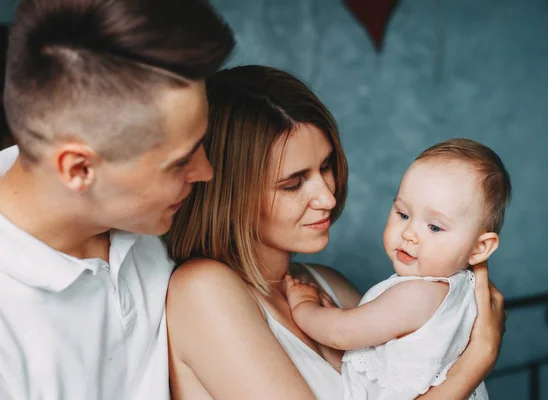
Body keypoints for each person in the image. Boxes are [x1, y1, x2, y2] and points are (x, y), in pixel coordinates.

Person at [165, 66, 507, 400]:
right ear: (229, 194)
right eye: (293, 183)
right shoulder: (202, 290)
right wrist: (477, 361)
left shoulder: (330, 285)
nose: (328, 197)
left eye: (326, 167)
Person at [0, 0, 234, 398]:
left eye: (201, 144)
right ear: (79, 170)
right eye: (179, 163)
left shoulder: (148, 219)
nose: (206, 172)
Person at [285, 138, 511, 400]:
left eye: (435, 227)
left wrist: (305, 307)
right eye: (403, 214)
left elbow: (340, 333)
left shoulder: (419, 294)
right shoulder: (463, 293)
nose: (409, 234)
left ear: (479, 248)